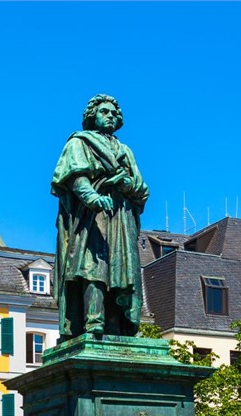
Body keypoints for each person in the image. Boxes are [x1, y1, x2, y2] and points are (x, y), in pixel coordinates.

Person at [51, 93, 148, 340]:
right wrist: (94, 199)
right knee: (93, 268)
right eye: (105, 112)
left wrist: (125, 184)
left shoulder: (125, 150)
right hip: (92, 218)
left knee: (120, 273)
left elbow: (142, 189)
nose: (111, 116)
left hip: (121, 217)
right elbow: (75, 177)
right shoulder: (79, 142)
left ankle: (116, 326)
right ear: (92, 115)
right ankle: (94, 322)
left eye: (115, 114)